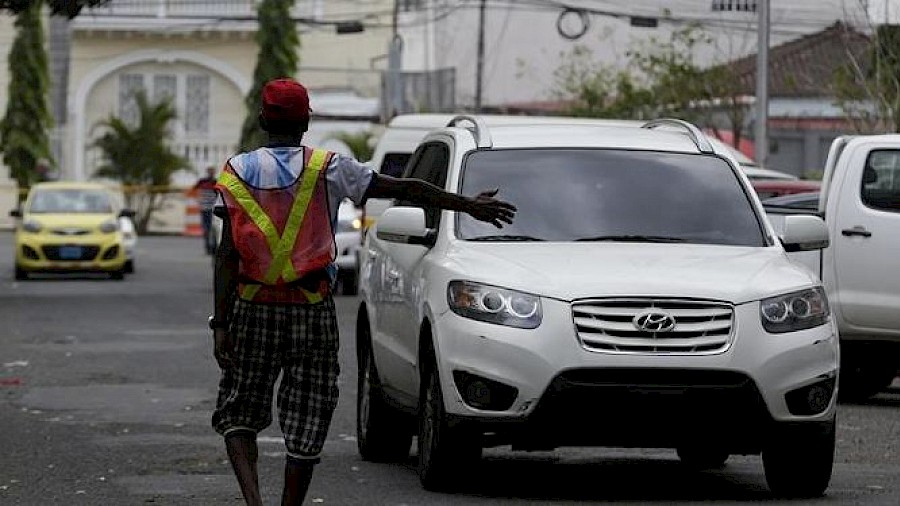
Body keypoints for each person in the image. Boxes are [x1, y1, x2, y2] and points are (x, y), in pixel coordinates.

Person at [209, 77, 516, 506]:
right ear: (306, 122)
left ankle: (254, 502)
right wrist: (468, 205)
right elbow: (406, 189)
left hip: (252, 308)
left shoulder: (235, 172)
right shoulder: (327, 168)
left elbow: (226, 257)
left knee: (239, 411)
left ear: (262, 119)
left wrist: (221, 323)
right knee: (310, 412)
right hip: (311, 311)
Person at [192, 166, 219, 254]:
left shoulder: (203, 181)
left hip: (207, 208)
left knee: (208, 228)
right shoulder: (215, 182)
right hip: (209, 208)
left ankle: (210, 247)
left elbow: (193, 190)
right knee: (210, 228)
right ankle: (211, 247)